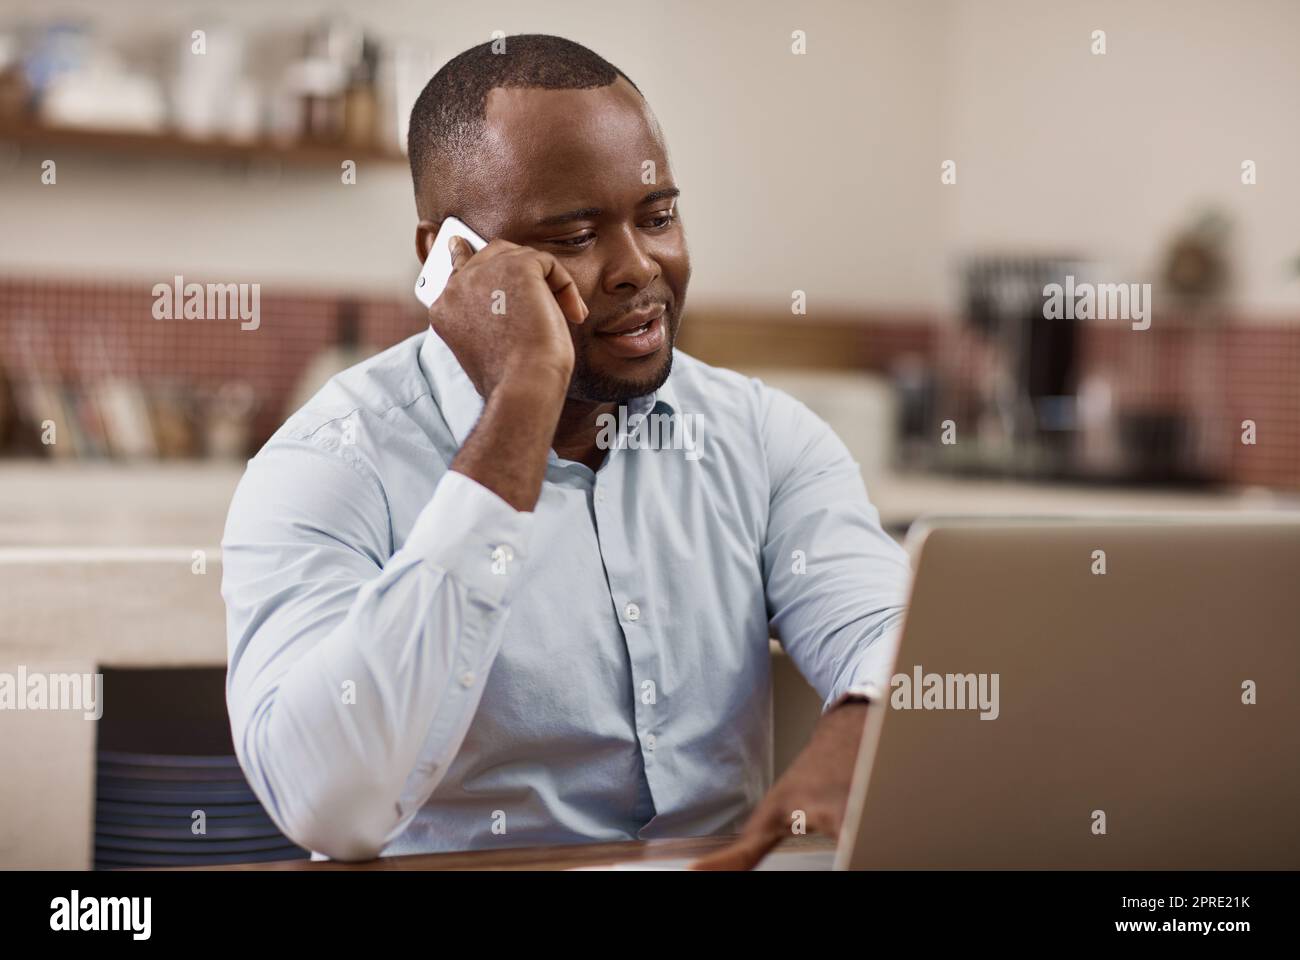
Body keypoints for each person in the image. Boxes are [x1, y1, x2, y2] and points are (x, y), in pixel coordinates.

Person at [221, 34, 911, 870]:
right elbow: (327, 806)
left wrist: (859, 739)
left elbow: (889, 631)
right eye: (576, 234)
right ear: (447, 261)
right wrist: (522, 397)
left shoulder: (761, 437)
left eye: (657, 217)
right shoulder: (330, 462)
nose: (638, 267)